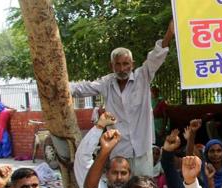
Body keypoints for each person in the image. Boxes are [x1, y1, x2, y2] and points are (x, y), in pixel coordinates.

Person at [70, 21, 175, 176]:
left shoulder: (143, 76)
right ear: (111, 66)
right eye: (117, 64)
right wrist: (55, 84)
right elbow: (80, 89)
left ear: (132, 64)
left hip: (142, 148)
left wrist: (169, 33)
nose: (121, 68)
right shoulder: (106, 83)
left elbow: (156, 56)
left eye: (125, 64)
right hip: (118, 149)